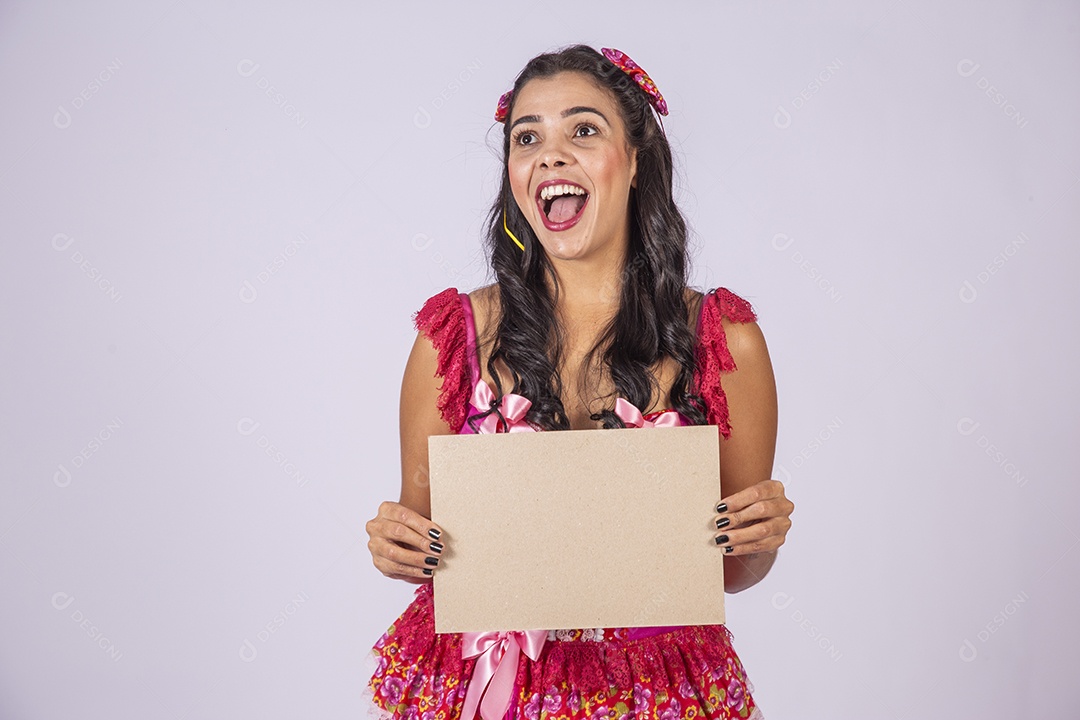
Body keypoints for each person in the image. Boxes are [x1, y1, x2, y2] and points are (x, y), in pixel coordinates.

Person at [363, 44, 794, 720]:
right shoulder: (452, 338)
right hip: (488, 688)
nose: (551, 155)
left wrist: (760, 539)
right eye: (527, 137)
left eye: (583, 130)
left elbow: (733, 572)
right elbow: (426, 549)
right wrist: (399, 547)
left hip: (654, 689)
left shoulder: (722, 338)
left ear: (637, 160)